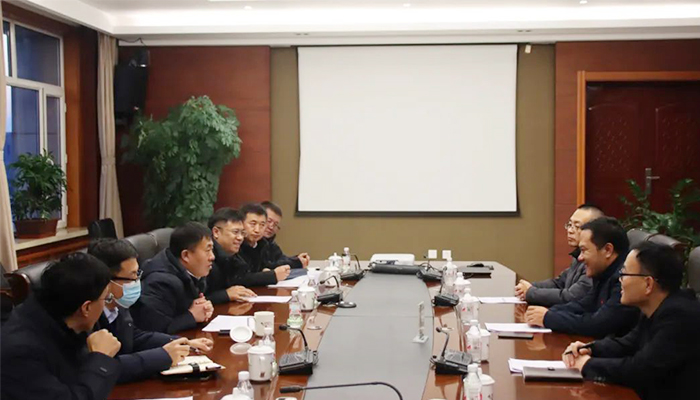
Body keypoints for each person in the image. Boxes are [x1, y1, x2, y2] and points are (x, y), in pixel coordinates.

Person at [563, 242, 700, 400]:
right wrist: (589, 349)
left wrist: (587, 364)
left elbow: (640, 369)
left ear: (648, 284)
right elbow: (627, 344)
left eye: (624, 273)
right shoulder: (656, 307)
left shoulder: (679, 316)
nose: (620, 280)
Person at [89, 239, 213, 382]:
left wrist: (182, 343)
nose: (137, 282)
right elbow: (108, 366)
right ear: (107, 282)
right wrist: (163, 356)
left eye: (138, 274)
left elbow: (134, 336)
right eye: (131, 276)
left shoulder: (118, 306)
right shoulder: (88, 316)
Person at [1, 253, 122, 400]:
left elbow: (87, 370)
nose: (105, 306)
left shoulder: (62, 318)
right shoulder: (21, 352)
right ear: (86, 308)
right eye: (106, 298)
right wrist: (100, 359)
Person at [525, 217, 639, 338]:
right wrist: (548, 312)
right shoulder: (604, 272)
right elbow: (583, 305)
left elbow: (598, 325)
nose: (580, 258)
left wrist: (549, 318)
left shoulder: (625, 279)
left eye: (584, 250)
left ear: (607, 250)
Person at [131, 222, 215, 334]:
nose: (212, 257)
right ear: (185, 255)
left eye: (212, 250)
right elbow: (152, 330)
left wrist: (202, 309)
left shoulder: (191, 271)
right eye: (207, 251)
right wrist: (191, 316)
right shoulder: (160, 282)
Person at [515, 204, 603, 307]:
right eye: (569, 225)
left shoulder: (594, 261)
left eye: (577, 226)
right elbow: (558, 283)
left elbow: (572, 296)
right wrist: (527, 287)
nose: (570, 230)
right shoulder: (577, 256)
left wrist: (531, 292)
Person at [206, 208, 258, 303]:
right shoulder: (205, 258)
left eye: (242, 233)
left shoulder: (232, 257)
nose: (240, 238)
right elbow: (195, 300)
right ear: (216, 232)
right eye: (235, 232)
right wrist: (225, 294)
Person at [238, 203, 291, 284]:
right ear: (241, 224)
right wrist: (271, 275)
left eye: (262, 225)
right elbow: (239, 278)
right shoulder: (235, 246)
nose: (257, 230)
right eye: (253, 224)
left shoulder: (262, 244)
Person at [261, 201, 310, 269]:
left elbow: (281, 259)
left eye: (275, 224)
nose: (271, 227)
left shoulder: (270, 242)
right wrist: (296, 262)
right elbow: (268, 266)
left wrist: (297, 258)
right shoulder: (253, 243)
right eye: (269, 221)